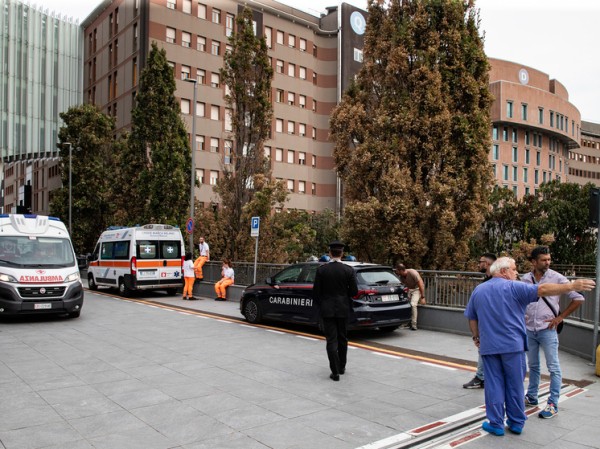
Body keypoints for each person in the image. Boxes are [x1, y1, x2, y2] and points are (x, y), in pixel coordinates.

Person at [464, 257, 594, 436]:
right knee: (515, 384)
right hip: (513, 346)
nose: (517, 273)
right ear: (503, 271)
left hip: (489, 345)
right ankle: (516, 423)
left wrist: (476, 337)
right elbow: (542, 289)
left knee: (493, 384)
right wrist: (571, 286)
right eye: (514, 269)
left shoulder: (479, 290)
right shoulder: (514, 287)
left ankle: (495, 424)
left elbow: (472, 317)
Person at [522, 246, 585, 419]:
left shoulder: (557, 278)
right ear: (534, 262)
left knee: (553, 367)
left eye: (549, 259)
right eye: (544, 260)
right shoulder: (525, 278)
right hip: (529, 329)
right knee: (533, 365)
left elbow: (579, 298)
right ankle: (532, 397)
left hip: (547, 329)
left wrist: (560, 317)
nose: (547, 262)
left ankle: (552, 403)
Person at [313, 240, 358, 381]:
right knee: (342, 338)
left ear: (330, 253)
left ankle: (335, 371)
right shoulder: (348, 270)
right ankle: (342, 367)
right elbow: (354, 292)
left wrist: (323, 304)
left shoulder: (321, 270)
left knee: (331, 340)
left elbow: (316, 292)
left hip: (327, 310)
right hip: (343, 309)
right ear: (342, 253)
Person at [463, 252, 497, 389]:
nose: (479, 264)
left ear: (487, 264)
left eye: (481, 261)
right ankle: (482, 377)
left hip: (492, 325)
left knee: (485, 351)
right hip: (485, 324)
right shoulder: (486, 281)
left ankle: (481, 377)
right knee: (483, 350)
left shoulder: (494, 282)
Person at [394, 263, 425, 330]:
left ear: (401, 270)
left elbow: (421, 284)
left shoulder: (412, 273)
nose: (397, 273)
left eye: (397, 271)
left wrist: (422, 297)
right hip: (408, 290)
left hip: (416, 290)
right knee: (404, 304)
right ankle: (405, 322)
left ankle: (414, 324)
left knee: (413, 305)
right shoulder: (401, 276)